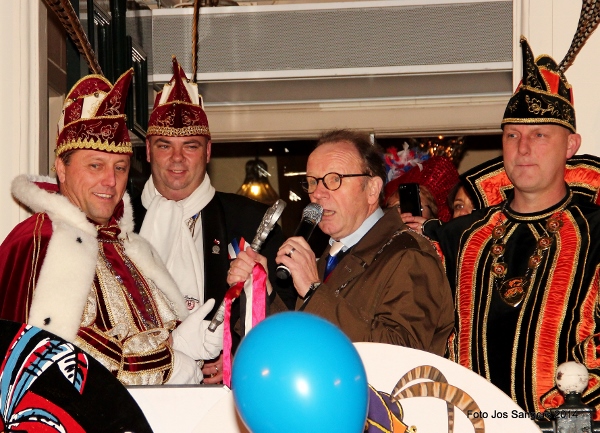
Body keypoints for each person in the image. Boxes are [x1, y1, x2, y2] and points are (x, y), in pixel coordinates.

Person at [0, 70, 222, 385]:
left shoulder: (130, 248)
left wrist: (181, 340)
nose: (110, 181)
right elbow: (65, 359)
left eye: (120, 168)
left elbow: (143, 337)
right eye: (95, 166)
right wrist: (167, 365)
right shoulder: (43, 241)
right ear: (61, 168)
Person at [434, 37, 600, 416]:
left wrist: (557, 415)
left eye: (539, 135)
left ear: (571, 145)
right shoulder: (457, 238)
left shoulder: (595, 233)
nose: (523, 148)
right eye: (513, 135)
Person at [132, 58, 294, 383]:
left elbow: (288, 314)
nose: (177, 158)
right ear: (148, 151)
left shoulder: (252, 221)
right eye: (165, 146)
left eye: (190, 146)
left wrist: (234, 354)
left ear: (208, 152)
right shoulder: (119, 220)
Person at [228, 129, 454, 356]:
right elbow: (302, 343)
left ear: (372, 189)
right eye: (312, 182)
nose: (318, 193)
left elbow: (400, 355)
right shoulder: (330, 257)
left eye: (334, 179)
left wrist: (313, 291)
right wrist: (262, 291)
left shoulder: (409, 255)